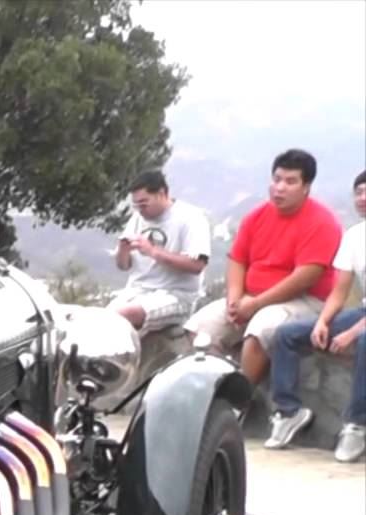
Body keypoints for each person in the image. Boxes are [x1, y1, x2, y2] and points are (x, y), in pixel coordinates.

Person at [183, 149, 343, 384]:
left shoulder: (323, 222)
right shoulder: (256, 216)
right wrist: (234, 300)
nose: (279, 187)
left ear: (306, 186)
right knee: (199, 328)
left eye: (290, 181)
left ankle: (244, 398)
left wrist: (256, 304)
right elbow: (238, 259)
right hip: (251, 296)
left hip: (305, 300)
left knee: (260, 330)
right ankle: (217, 389)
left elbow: (305, 277)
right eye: (277, 179)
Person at [265, 170, 366, 462]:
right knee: (287, 334)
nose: (362, 198)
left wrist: (352, 332)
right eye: (358, 192)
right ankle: (288, 412)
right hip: (362, 312)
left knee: (363, 343)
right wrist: (323, 321)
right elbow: (339, 290)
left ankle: (357, 424)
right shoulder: (354, 237)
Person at [107, 169, 211, 332]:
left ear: (161, 193)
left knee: (123, 315)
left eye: (144, 203)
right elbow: (123, 266)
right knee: (100, 319)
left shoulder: (191, 217)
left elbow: (196, 265)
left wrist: (152, 251)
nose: (140, 209)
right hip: (136, 291)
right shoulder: (137, 218)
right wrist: (123, 250)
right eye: (136, 205)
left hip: (176, 295)